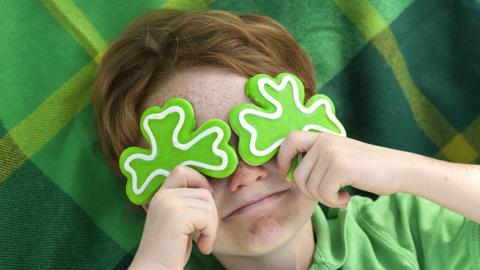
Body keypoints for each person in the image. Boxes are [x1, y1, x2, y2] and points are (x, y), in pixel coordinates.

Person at [92, 8, 480, 270]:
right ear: (153, 198)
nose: (244, 175)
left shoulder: (399, 231)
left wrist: (405, 170)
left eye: (259, 138)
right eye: (205, 162)